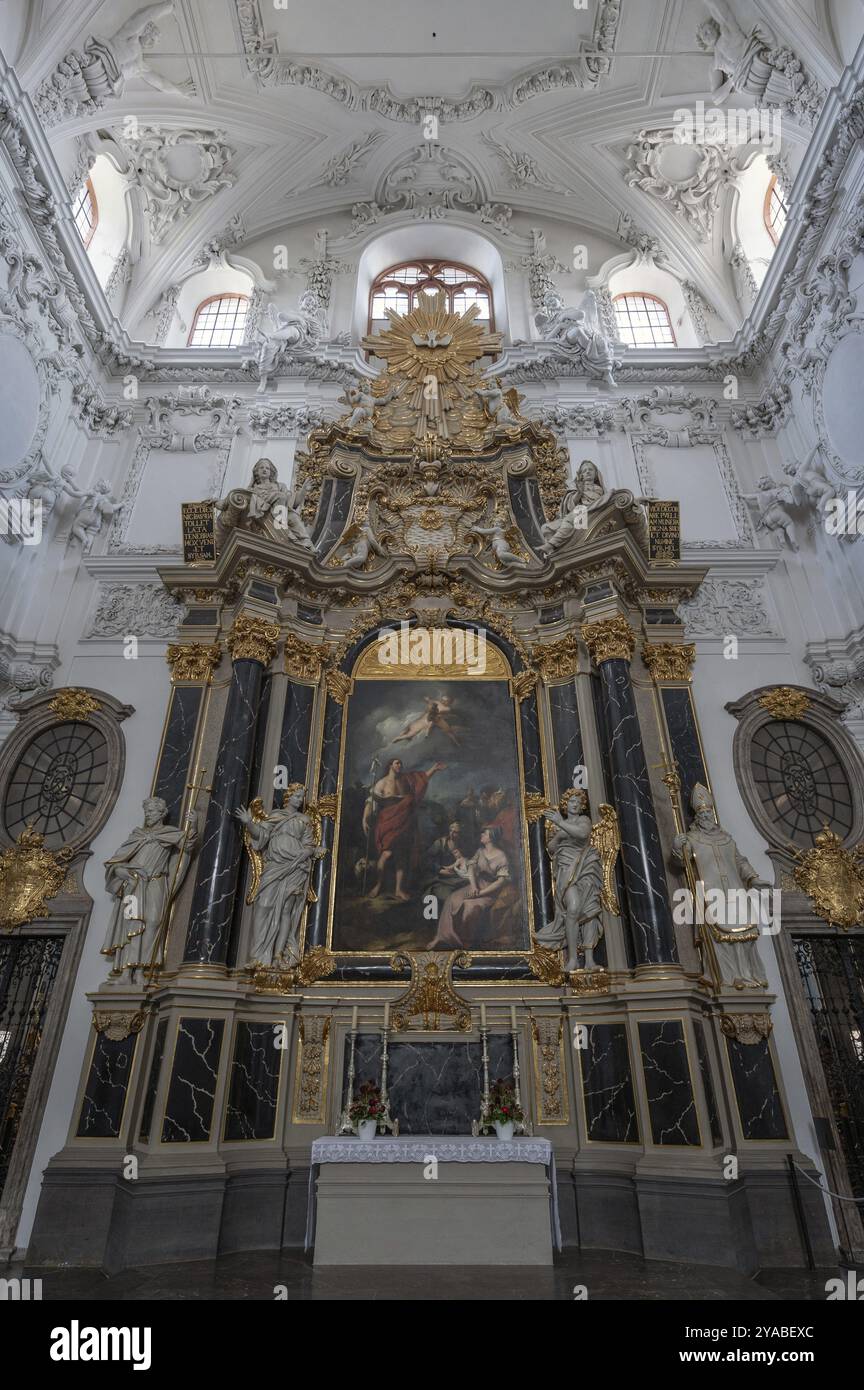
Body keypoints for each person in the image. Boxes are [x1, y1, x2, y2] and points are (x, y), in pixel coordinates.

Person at [102, 796, 199, 976]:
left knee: (154, 922)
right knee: (131, 923)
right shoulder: (137, 835)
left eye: (152, 811)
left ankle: (142, 969)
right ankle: (127, 972)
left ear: (162, 813)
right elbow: (115, 862)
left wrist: (193, 825)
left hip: (157, 882)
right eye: (146, 811)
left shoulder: (169, 833)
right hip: (134, 884)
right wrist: (122, 871)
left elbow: (188, 845)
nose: (148, 814)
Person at [236, 785, 327, 967]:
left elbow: (309, 844)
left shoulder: (305, 819)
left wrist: (306, 853)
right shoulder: (276, 816)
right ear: (288, 797)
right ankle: (259, 956)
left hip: (296, 866)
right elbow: (260, 835)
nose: (300, 800)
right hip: (275, 865)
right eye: (297, 796)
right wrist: (248, 822)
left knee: (287, 910)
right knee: (263, 904)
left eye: (302, 797)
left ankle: (278, 955)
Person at [534, 789, 604, 972]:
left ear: (582, 806)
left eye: (577, 802)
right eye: (571, 801)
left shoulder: (584, 820)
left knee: (589, 910)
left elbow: (582, 835)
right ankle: (572, 959)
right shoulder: (559, 824)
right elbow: (550, 848)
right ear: (566, 804)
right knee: (573, 908)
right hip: (566, 870)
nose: (574, 804)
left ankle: (589, 960)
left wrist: (559, 823)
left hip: (587, 868)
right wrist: (558, 830)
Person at [362, 758, 446, 900]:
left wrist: (434, 769)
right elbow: (371, 802)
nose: (400, 765)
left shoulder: (406, 780)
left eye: (401, 763)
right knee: (386, 854)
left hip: (405, 822)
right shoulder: (381, 783)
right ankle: (378, 885)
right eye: (397, 763)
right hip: (388, 822)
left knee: (401, 855)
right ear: (390, 765)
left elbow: (421, 779)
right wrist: (365, 818)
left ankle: (398, 889)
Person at [428, 825, 511, 948]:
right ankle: (441, 936)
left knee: (470, 906)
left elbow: (500, 882)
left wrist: (480, 893)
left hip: (490, 890)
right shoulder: (480, 851)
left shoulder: (502, 857)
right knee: (452, 898)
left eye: (485, 834)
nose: (481, 835)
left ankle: (465, 943)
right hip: (476, 884)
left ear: (491, 837)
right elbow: (471, 867)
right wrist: (473, 887)